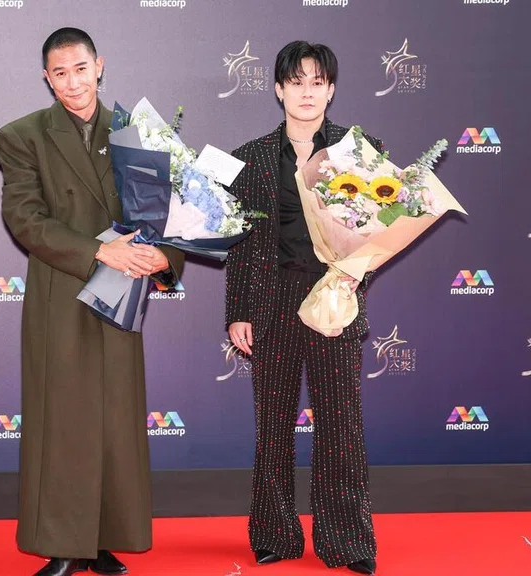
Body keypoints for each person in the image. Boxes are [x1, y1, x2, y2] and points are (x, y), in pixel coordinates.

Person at [0, 27, 184, 576]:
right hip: (64, 291)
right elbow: (25, 219)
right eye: (60, 73)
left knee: (115, 420)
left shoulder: (138, 132)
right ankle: (63, 544)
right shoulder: (21, 136)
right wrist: (103, 254)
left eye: (81, 69)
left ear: (99, 65)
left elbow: (172, 212)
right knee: (64, 421)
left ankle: (105, 538)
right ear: (47, 79)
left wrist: (163, 258)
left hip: (123, 297)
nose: (73, 83)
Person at [225, 41, 385, 575]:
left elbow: (375, 235)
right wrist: (238, 311)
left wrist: (350, 276)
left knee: (341, 423)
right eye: (297, 81)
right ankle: (274, 534)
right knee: (272, 425)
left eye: (318, 81)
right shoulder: (249, 157)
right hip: (271, 304)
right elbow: (241, 244)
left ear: (332, 89)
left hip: (333, 300)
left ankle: (348, 542)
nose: (307, 92)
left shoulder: (359, 152)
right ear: (278, 89)